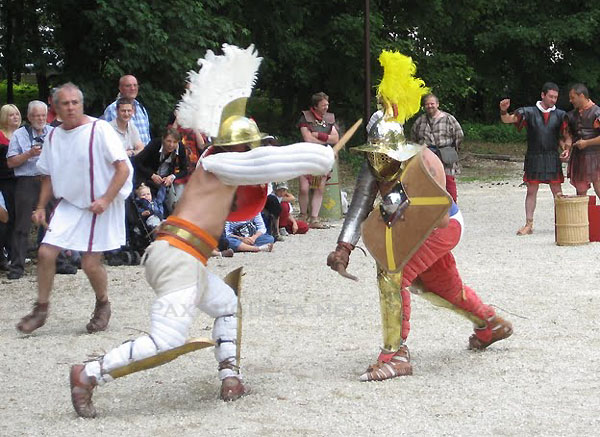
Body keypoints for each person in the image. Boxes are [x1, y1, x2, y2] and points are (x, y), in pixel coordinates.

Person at [68, 44, 336, 418]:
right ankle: (89, 373)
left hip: (184, 257)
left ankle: (230, 375)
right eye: (249, 146)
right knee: (167, 339)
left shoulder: (222, 167)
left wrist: (316, 156)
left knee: (225, 303)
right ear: (238, 146)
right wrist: (320, 155)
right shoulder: (218, 163)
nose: (252, 151)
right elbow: (266, 163)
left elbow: (259, 168)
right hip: (176, 256)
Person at [327, 50, 512, 382]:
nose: (380, 159)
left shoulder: (424, 161)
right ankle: (489, 324)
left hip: (442, 224)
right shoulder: (375, 166)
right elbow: (358, 209)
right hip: (415, 225)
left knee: (392, 273)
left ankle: (395, 354)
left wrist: (397, 238)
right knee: (440, 285)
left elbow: (434, 213)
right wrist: (343, 247)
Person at [15, 83, 133, 335]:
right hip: (70, 203)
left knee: (90, 264)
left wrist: (105, 199)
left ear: (81, 104)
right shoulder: (54, 136)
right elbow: (47, 175)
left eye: (74, 103)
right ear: (55, 108)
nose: (70, 108)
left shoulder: (99, 129)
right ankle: (41, 309)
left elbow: (123, 168)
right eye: (64, 103)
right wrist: (40, 207)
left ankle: (103, 304)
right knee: (46, 253)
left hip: (102, 203)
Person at [499, 82, 567, 235]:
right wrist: (503, 111)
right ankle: (528, 224)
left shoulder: (561, 115)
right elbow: (508, 119)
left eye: (556, 97)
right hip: (534, 156)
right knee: (531, 191)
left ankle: (562, 223)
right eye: (551, 96)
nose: (553, 100)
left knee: (558, 191)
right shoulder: (528, 112)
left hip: (552, 156)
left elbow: (564, 138)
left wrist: (566, 149)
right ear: (543, 95)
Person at [6, 101, 52, 280]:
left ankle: (60, 261)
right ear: (30, 117)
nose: (40, 119)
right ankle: (17, 266)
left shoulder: (54, 133)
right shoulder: (19, 135)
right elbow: (10, 162)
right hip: (26, 181)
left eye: (43, 115)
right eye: (36, 115)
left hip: (48, 180)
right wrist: (29, 154)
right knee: (22, 224)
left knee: (54, 222)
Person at [297, 92, 340, 229]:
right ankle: (303, 215)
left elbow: (335, 138)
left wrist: (319, 135)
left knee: (318, 188)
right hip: (306, 156)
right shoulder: (305, 118)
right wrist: (324, 139)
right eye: (323, 105)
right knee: (304, 188)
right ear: (315, 106)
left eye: (327, 104)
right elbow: (307, 138)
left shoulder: (329, 119)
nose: (326, 107)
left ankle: (314, 218)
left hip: (321, 157)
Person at [411, 93, 464, 202]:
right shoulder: (420, 121)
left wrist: (453, 150)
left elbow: (459, 135)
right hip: (427, 156)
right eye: (427, 104)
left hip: (445, 154)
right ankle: (432, 208)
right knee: (427, 182)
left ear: (437, 104)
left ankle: (452, 207)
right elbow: (413, 137)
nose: (430, 106)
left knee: (449, 181)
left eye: (432, 103)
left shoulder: (449, 119)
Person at [134, 127, 188, 213]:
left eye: (174, 142)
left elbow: (184, 170)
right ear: (163, 139)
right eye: (169, 141)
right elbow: (137, 161)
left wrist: (172, 177)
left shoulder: (180, 147)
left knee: (173, 205)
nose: (171, 145)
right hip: (149, 178)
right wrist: (152, 175)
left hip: (165, 181)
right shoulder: (155, 144)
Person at [562, 83, 600, 198]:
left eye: (573, 97)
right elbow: (569, 136)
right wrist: (567, 149)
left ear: (582, 96)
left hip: (596, 155)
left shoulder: (597, 112)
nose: (570, 100)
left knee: (599, 186)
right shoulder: (572, 115)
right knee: (581, 192)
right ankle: (582, 216)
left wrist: (587, 143)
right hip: (579, 156)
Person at [0, 104, 21, 270]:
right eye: (11, 115)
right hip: (3, 181)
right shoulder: (0, 136)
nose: (15, 117)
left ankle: (14, 254)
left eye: (17, 114)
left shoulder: (22, 135)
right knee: (4, 217)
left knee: (16, 218)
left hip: (18, 181)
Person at [103, 75, 151, 145]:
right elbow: (109, 140)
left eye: (135, 85)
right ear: (120, 88)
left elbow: (147, 136)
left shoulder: (141, 108)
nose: (133, 88)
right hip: (125, 154)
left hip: (145, 154)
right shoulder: (112, 109)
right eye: (128, 86)